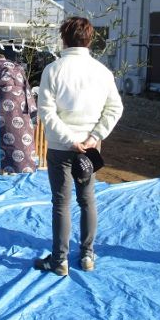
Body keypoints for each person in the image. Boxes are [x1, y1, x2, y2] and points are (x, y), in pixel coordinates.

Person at [34, 16, 123, 276]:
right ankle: (87, 255)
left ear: (64, 38)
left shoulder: (54, 70)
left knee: (61, 203)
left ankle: (60, 260)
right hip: (91, 147)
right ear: (89, 39)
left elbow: (46, 111)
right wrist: (94, 137)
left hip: (62, 147)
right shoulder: (102, 71)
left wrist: (70, 139)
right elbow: (115, 107)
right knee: (87, 200)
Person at [0, 43, 38, 174]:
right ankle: (22, 166)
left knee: (4, 133)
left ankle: (3, 167)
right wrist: (32, 113)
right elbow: (27, 88)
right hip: (23, 103)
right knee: (21, 133)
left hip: (4, 102)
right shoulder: (18, 66)